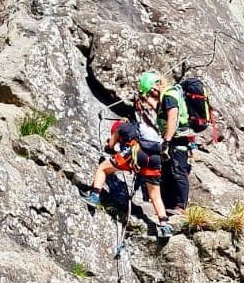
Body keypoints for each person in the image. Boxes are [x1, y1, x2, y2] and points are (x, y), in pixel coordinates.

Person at [81, 117, 172, 237]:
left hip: (135, 153)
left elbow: (110, 147)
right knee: (155, 195)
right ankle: (164, 225)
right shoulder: (138, 129)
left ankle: (94, 197)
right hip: (155, 159)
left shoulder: (119, 128)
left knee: (103, 168)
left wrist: (109, 145)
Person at [136, 71, 194, 217]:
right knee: (169, 171)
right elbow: (160, 110)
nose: (152, 94)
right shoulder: (167, 96)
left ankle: (180, 206)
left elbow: (172, 118)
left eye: (151, 91)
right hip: (176, 139)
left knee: (178, 171)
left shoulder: (169, 96)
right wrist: (144, 98)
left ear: (157, 85)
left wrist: (166, 141)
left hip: (177, 140)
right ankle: (169, 204)